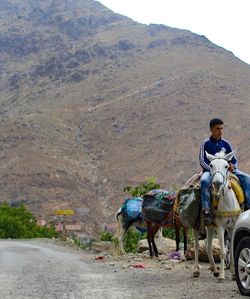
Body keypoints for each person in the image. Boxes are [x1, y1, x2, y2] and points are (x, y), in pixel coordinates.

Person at [199, 118, 250, 224]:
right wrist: (214, 171)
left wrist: (233, 167)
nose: (221, 131)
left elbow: (234, 160)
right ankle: (207, 209)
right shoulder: (205, 144)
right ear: (211, 129)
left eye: (222, 128)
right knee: (204, 181)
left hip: (227, 170)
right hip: (210, 171)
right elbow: (202, 161)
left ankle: (248, 206)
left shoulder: (226, 144)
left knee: (247, 178)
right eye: (218, 129)